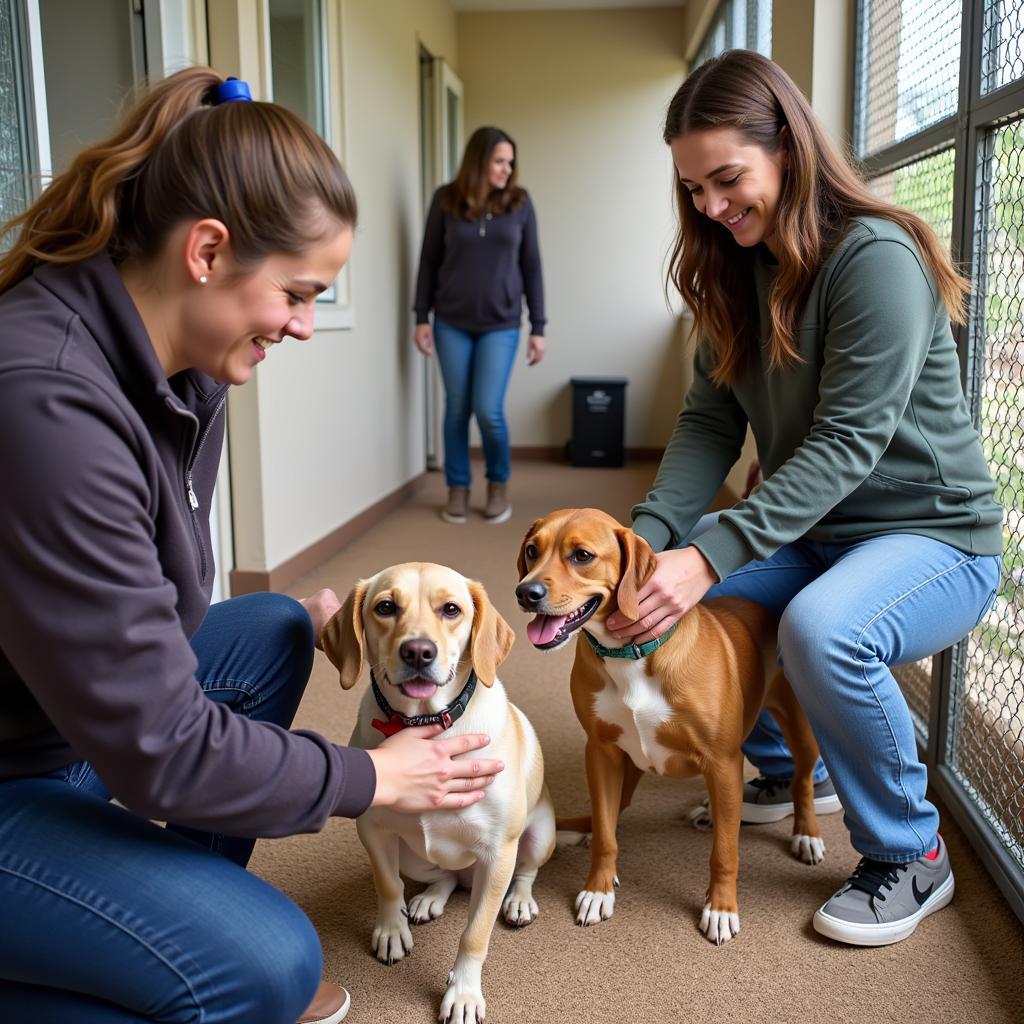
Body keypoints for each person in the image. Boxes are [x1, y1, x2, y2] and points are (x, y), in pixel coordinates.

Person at [0, 69, 504, 1024]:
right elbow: (161, 748)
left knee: (272, 625)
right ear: (207, 251)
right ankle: (161, 952)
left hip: (54, 722)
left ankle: (161, 920)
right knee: (266, 966)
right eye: (299, 293)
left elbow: (163, 602)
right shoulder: (44, 398)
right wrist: (370, 777)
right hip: (19, 770)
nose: (307, 325)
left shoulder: (186, 371)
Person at [606, 50, 1003, 946]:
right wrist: (650, 549)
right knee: (692, 593)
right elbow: (709, 425)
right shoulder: (730, 270)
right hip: (816, 529)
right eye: (692, 187)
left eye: (727, 178)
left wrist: (707, 556)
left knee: (822, 629)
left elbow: (848, 444)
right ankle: (793, 768)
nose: (709, 205)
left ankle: (912, 852)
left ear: (788, 147)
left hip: (935, 539)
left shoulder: (876, 259)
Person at [413, 125, 546, 525]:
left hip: (501, 324)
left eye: (510, 162)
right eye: (499, 161)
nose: (507, 169)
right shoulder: (446, 200)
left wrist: (538, 325)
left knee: (487, 410)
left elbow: (532, 266)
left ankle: (497, 484)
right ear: (479, 161)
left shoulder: (519, 203)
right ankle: (457, 487)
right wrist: (421, 317)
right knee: (456, 409)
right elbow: (428, 262)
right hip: (450, 322)